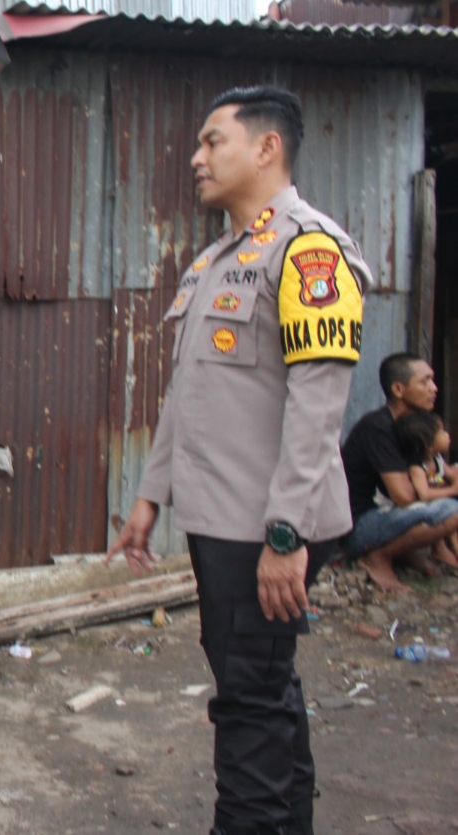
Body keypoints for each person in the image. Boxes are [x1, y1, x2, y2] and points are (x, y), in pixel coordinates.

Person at [109, 86, 367, 835]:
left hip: (266, 525)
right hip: (221, 519)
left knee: (248, 701)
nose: (196, 157)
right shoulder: (217, 260)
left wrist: (285, 535)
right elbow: (189, 392)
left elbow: (319, 405)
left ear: (267, 147)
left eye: (212, 140)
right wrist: (150, 496)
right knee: (264, 685)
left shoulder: (308, 249)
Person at [341, 353, 458, 591]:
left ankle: (405, 553)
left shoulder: (411, 427)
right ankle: (378, 558)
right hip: (357, 525)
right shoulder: (378, 428)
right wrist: (452, 489)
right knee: (452, 511)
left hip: (384, 514)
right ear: (398, 389)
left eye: (433, 381)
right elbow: (404, 496)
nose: (433, 388)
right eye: (424, 382)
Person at [393, 409, 458, 571]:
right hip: (423, 508)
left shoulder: (437, 460)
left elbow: (451, 474)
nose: (447, 435)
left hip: (440, 502)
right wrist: (452, 490)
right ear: (428, 444)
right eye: (442, 433)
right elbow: (424, 494)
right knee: (452, 520)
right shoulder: (417, 467)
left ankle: (445, 549)